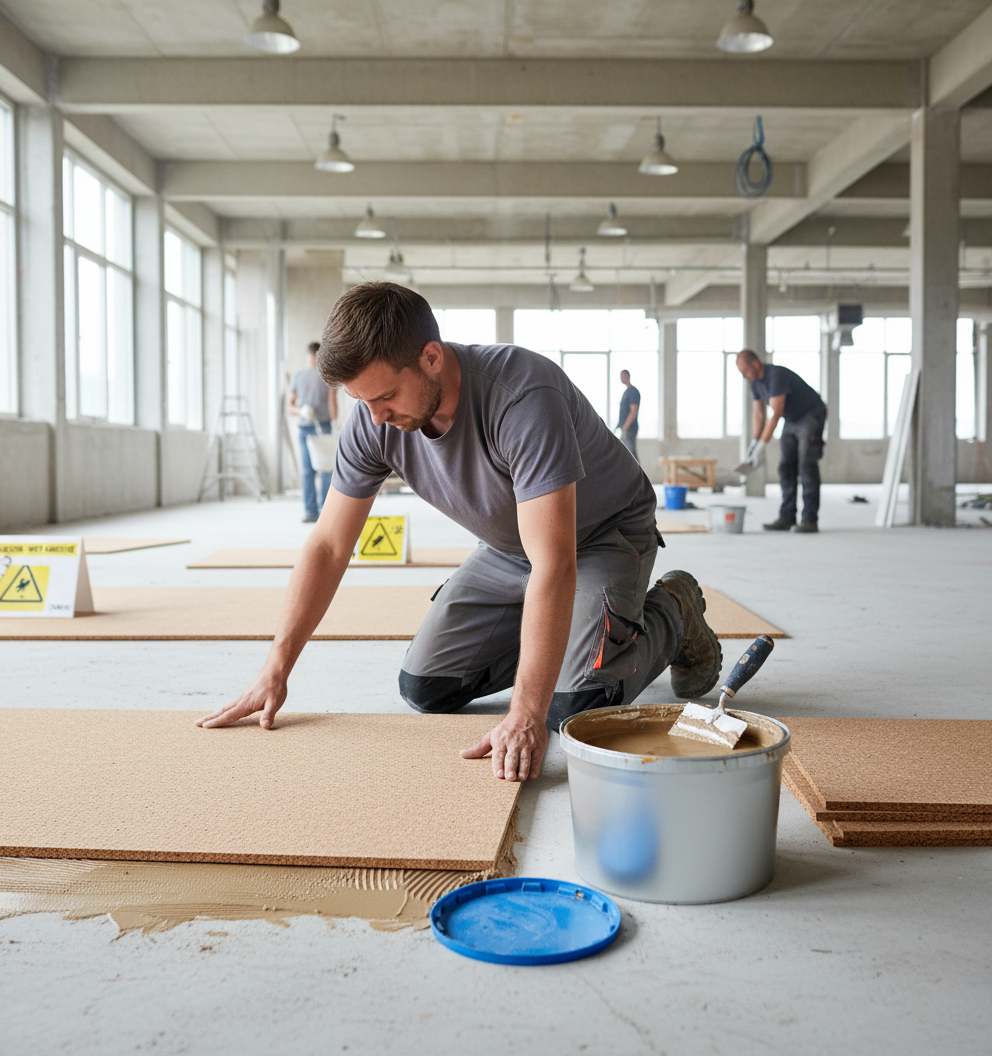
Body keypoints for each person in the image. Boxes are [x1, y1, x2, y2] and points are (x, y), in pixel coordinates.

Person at [198, 283, 723, 784]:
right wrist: (275, 667)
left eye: (384, 398)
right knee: (426, 688)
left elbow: (555, 563)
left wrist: (525, 711)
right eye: (364, 404)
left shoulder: (522, 396)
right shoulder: (373, 419)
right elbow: (330, 545)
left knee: (569, 707)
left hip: (599, 537)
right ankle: (562, 639)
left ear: (432, 357)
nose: (376, 419)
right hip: (507, 549)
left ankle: (673, 613)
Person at [736, 349, 827, 533]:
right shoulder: (754, 382)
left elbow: (776, 413)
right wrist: (754, 442)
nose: (745, 376)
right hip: (792, 419)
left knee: (806, 465)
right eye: (742, 374)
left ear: (755, 363)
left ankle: (810, 519)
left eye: (746, 371)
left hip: (811, 414)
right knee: (785, 466)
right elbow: (759, 413)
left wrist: (762, 445)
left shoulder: (776, 375)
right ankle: (787, 517)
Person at [287, 341, 338, 523]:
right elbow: (290, 407)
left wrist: (334, 423)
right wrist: (301, 410)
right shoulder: (299, 376)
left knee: (324, 470)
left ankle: (322, 510)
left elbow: (332, 399)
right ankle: (311, 511)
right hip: (306, 428)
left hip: (322, 427)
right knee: (311, 471)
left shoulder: (327, 376)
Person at [616, 369, 640, 463]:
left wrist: (626, 426)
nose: (621, 378)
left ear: (627, 376)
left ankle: (638, 476)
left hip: (630, 429)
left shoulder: (633, 392)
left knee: (631, 455)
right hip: (625, 428)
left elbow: (633, 411)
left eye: (622, 376)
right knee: (626, 454)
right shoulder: (626, 392)